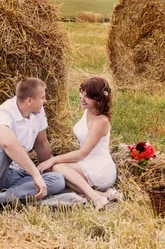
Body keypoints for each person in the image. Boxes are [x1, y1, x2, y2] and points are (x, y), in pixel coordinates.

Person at [0, 77, 65, 221]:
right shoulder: (3, 112)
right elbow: (8, 143)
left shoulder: (38, 112)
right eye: (43, 98)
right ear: (29, 100)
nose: (45, 101)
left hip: (16, 174)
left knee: (57, 180)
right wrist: (35, 174)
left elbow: (41, 143)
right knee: (7, 146)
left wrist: (45, 171)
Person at [38, 76, 120, 210]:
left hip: (101, 168)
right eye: (82, 93)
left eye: (87, 96)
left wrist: (52, 160)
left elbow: (83, 153)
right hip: (87, 163)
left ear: (98, 100)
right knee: (57, 182)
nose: (82, 98)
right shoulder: (87, 111)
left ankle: (96, 198)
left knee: (56, 168)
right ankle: (104, 194)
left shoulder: (101, 121)